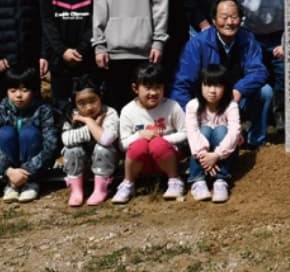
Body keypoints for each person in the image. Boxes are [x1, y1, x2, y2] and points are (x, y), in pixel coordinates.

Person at [171, 0, 271, 148]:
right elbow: (181, 84)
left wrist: (239, 89)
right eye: (224, 18)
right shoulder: (197, 44)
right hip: (206, 105)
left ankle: (255, 140)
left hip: (235, 99)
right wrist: (192, 118)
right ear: (214, 20)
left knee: (265, 92)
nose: (229, 22)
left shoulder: (248, 39)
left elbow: (259, 71)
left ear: (241, 19)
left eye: (234, 17)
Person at [222, 0, 290, 129]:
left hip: (279, 33)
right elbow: (226, 9)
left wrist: (287, 43)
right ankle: (246, 117)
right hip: (248, 34)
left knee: (285, 75)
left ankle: (281, 117)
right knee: (248, 75)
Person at [112, 64, 187, 204]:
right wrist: (139, 135)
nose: (153, 93)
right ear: (135, 88)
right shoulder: (128, 111)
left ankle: (174, 180)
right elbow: (122, 144)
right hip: (142, 163)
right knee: (139, 145)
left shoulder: (172, 106)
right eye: (147, 88)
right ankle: (128, 183)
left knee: (158, 144)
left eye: (158, 87)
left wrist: (164, 139)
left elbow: (185, 132)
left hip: (167, 157)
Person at [41, 0, 95, 116]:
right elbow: (47, 22)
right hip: (60, 60)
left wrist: (81, 49)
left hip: (87, 58)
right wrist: (62, 51)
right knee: (61, 110)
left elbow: (97, 20)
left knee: (89, 107)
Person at [0, 67, 58, 203]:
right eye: (13, 91)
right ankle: (10, 184)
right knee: (5, 133)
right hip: (8, 171)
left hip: (34, 169)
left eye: (24, 90)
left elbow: (51, 145)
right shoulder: (2, 109)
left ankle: (30, 183)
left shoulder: (44, 110)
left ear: (33, 90)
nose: (18, 95)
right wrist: (9, 171)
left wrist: (25, 171)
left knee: (29, 133)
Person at [186, 64, 241, 203]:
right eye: (207, 85)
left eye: (217, 86)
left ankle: (221, 180)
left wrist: (216, 155)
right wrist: (205, 157)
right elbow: (192, 132)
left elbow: (235, 133)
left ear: (225, 88)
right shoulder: (193, 105)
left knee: (221, 130)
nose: (212, 91)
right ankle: (198, 181)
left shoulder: (231, 106)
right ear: (200, 86)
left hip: (223, 154)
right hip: (201, 156)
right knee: (204, 130)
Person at [60, 75, 119, 207]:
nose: (89, 107)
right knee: (72, 149)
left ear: (100, 98)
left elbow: (106, 139)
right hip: (83, 163)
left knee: (102, 148)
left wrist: (88, 121)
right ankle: (76, 190)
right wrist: (91, 128)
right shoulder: (72, 115)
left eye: (93, 101)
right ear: (75, 103)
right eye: (82, 103)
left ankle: (100, 189)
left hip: (106, 164)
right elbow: (66, 139)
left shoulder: (109, 113)